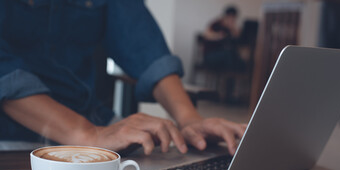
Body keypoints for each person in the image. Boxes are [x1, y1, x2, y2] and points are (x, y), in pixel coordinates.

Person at [0, 0, 246, 156]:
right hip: (12, 139)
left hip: (95, 122)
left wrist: (189, 119)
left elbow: (145, 45)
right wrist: (87, 134)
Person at [202, 6, 246, 103]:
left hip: (226, 60)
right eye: (230, 17)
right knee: (230, 56)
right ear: (225, 16)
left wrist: (233, 31)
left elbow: (238, 43)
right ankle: (229, 94)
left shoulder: (232, 29)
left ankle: (229, 93)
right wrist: (220, 36)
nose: (232, 20)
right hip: (211, 57)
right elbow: (206, 35)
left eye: (233, 18)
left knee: (234, 57)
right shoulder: (216, 24)